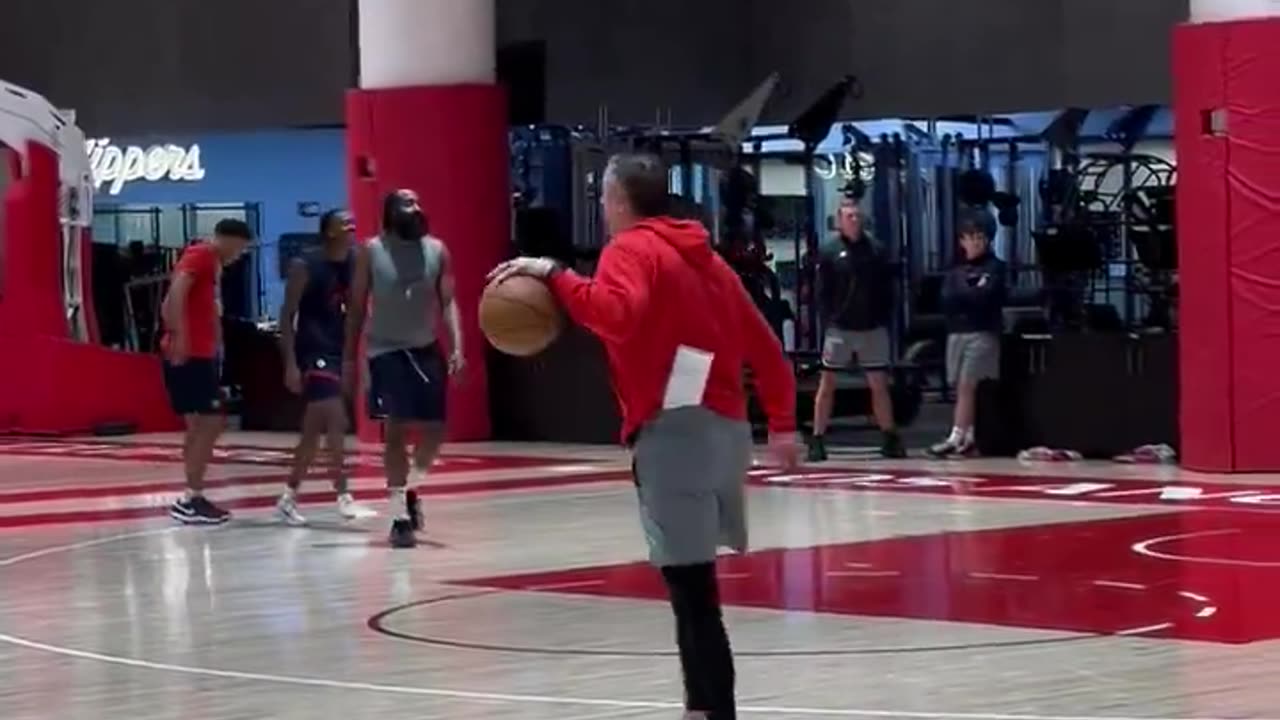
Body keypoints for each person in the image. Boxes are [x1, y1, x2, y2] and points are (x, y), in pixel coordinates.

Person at [490, 153, 799, 720]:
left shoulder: (630, 250)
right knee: (696, 590)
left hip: (673, 437)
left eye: (605, 199)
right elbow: (766, 347)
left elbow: (615, 314)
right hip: (726, 437)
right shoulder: (708, 260)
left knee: (693, 596)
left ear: (618, 201)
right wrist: (782, 425)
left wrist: (551, 272)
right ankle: (698, 706)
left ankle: (712, 710)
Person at [343, 189, 464, 549]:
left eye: (418, 202)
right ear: (391, 211)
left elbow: (448, 301)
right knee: (394, 431)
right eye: (408, 203)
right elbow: (356, 304)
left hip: (425, 348)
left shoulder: (437, 250)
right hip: (385, 350)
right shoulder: (371, 251)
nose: (416, 207)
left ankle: (411, 488)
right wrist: (351, 356)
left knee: (435, 431)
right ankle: (398, 517)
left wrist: (457, 345)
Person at [276, 209, 376, 525]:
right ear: (329, 231)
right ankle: (344, 496)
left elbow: (359, 314)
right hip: (311, 351)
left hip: (336, 351)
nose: (351, 225)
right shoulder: (305, 266)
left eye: (352, 221)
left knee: (312, 434)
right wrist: (290, 363)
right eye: (343, 222)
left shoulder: (354, 263)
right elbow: (286, 316)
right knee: (337, 420)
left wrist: (355, 358)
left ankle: (288, 497)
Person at [161, 218, 252, 524]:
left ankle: (192, 495)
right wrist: (179, 334)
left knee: (199, 425)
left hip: (202, 353)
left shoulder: (212, 265)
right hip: (192, 353)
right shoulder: (201, 254)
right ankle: (191, 497)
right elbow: (175, 291)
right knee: (211, 422)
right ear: (229, 240)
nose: (238, 256)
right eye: (239, 249)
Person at [807, 196, 905, 461]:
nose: (854, 220)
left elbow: (888, 288)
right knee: (827, 383)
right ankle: (817, 439)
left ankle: (889, 436)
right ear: (839, 221)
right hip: (840, 328)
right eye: (849, 216)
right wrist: (829, 318)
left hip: (871, 327)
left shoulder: (876, 249)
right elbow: (821, 291)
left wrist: (884, 315)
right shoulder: (829, 251)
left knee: (878, 383)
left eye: (857, 216)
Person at [929, 209, 1006, 458]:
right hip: (956, 333)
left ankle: (957, 435)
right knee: (959, 386)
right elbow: (948, 298)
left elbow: (983, 297)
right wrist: (969, 291)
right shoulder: (955, 271)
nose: (973, 243)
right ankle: (969, 435)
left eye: (979, 237)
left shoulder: (995, 268)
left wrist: (969, 293)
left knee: (967, 384)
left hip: (982, 332)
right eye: (969, 237)